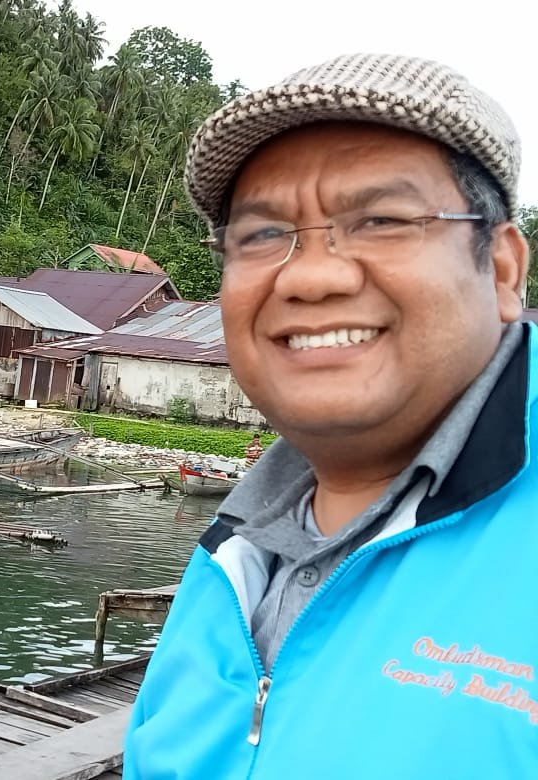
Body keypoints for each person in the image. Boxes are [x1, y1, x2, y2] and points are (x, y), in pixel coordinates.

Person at [124, 54, 535, 778]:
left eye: (381, 220)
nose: (312, 277)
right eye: (262, 234)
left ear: (501, 269)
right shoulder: (232, 551)